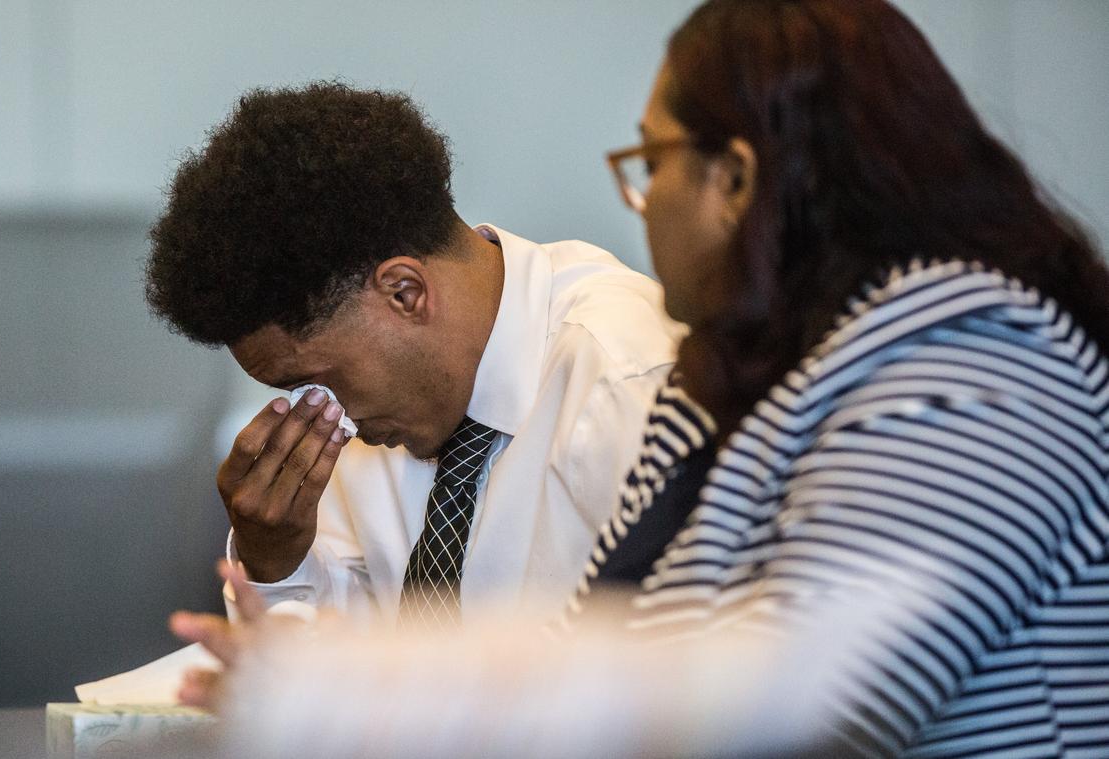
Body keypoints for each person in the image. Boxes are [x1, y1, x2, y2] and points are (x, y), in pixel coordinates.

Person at [174, 2, 1109, 757]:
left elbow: (809, 689)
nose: (641, 202)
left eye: (650, 162)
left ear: (735, 181)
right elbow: (641, 651)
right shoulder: (753, 389)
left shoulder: (976, 361)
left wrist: (359, 694)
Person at [146, 82, 680, 627]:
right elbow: (341, 688)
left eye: (312, 380)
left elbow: (679, 688)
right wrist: (276, 562)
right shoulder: (369, 420)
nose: (325, 414)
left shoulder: (630, 385)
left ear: (405, 292)